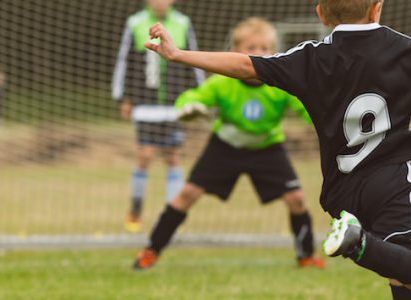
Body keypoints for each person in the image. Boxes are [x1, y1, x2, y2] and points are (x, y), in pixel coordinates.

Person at [143, 0, 411, 298]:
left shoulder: (311, 57)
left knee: (401, 275)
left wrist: (178, 55)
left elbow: (242, 64)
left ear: (320, 13)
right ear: (377, 8)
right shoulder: (408, 51)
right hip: (390, 181)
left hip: (340, 189)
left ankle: (356, 239)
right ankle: (357, 241)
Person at [132, 17, 325, 270]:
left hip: (267, 148)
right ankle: (151, 251)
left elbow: (310, 110)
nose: (258, 54)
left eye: (265, 48)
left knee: (297, 199)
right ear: (235, 51)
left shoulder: (281, 84)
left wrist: (326, 123)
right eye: (251, 48)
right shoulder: (223, 81)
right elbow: (191, 98)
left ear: (274, 51)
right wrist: (188, 108)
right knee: (186, 195)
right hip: (224, 146)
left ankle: (306, 256)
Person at [112, 0, 204, 233]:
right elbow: (125, 61)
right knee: (145, 155)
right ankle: (135, 210)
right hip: (145, 105)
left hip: (173, 106)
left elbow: (193, 59)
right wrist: (123, 97)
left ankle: (172, 216)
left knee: (173, 157)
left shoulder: (183, 23)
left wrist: (198, 94)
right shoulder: (135, 23)